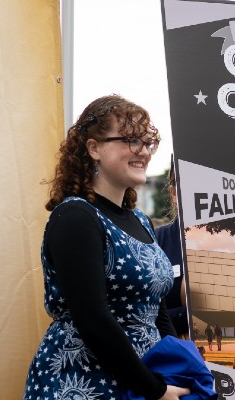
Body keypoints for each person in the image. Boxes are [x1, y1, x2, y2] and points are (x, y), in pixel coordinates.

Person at [22, 95, 189, 400]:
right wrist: (154, 389)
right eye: (131, 140)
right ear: (93, 148)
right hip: (83, 383)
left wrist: (182, 369)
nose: (144, 152)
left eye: (148, 142)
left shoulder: (141, 221)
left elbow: (158, 312)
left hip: (144, 383)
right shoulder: (76, 216)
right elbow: (93, 320)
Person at [153, 168, 190, 340]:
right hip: (175, 359)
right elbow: (145, 316)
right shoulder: (155, 242)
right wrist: (190, 315)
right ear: (174, 192)